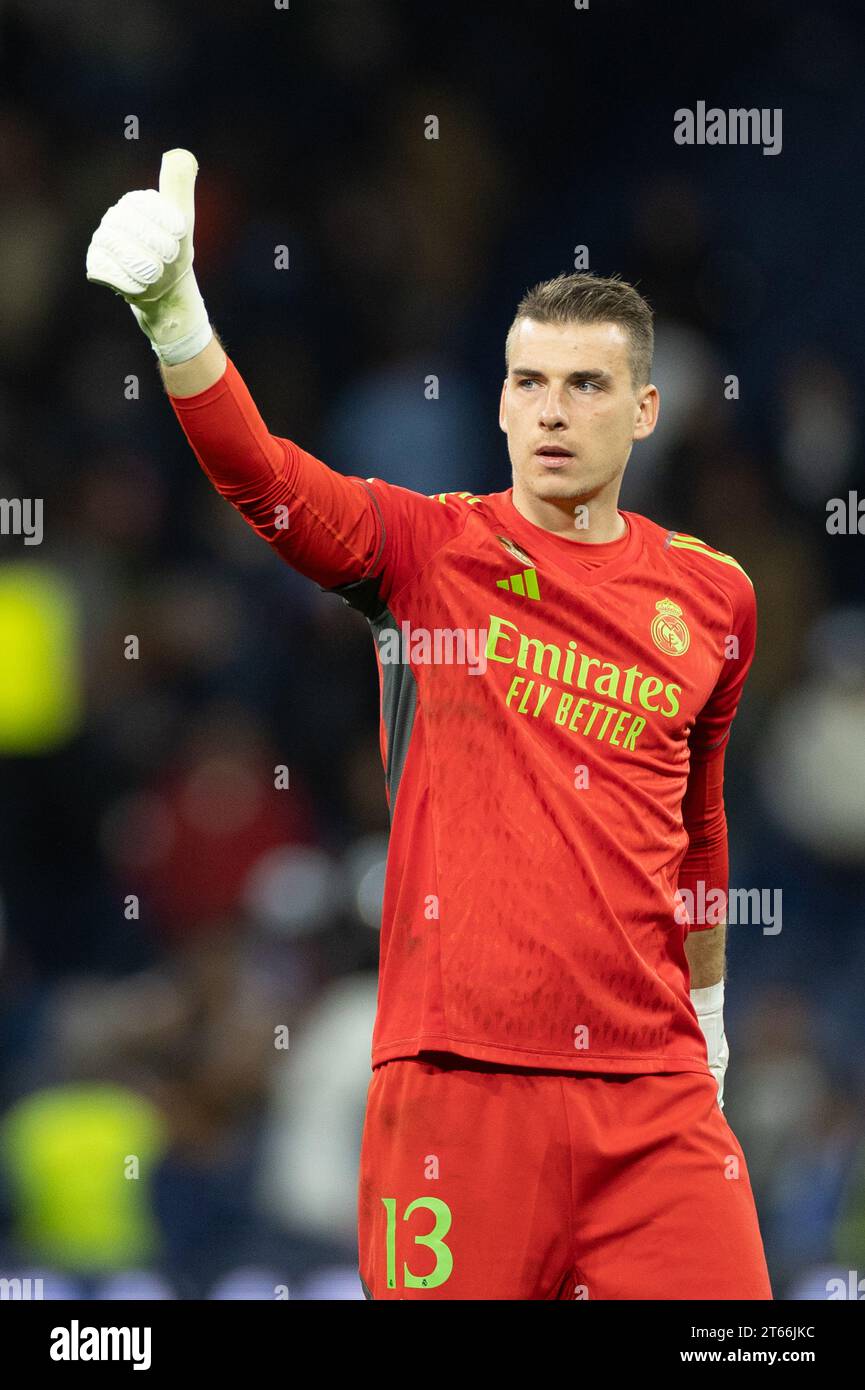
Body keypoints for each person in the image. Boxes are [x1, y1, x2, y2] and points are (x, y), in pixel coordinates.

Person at [86, 149, 772, 1300]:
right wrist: (175, 321)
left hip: (652, 1099)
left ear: (644, 409)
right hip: (459, 1088)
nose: (551, 410)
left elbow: (696, 832)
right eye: (528, 382)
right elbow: (267, 482)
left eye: (586, 385)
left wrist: (705, 1018)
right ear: (499, 399)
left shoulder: (714, 597)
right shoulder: (428, 551)